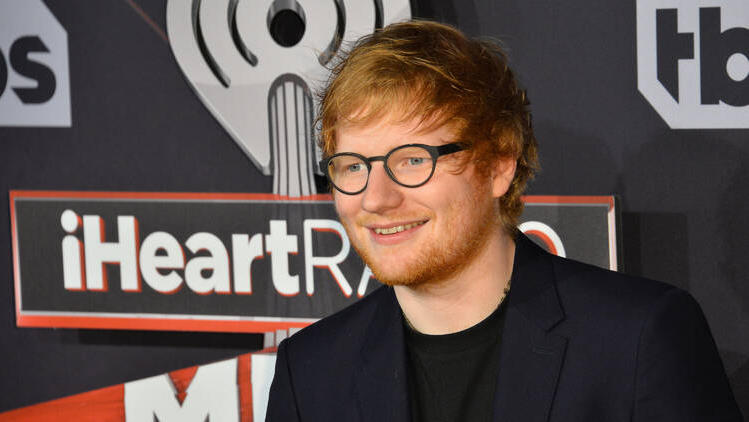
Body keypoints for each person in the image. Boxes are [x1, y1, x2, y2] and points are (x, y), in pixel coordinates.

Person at [266, 20, 742, 421]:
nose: (376, 198)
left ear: (498, 165)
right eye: (352, 165)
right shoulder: (309, 373)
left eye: (412, 160)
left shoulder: (638, 340)